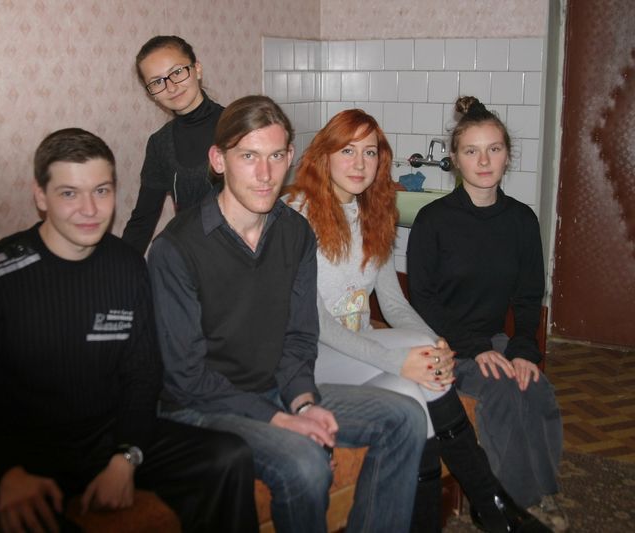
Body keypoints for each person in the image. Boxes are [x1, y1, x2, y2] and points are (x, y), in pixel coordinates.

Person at [0, 128, 258, 533]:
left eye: (102, 191)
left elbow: (143, 374)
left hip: (108, 438)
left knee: (228, 457)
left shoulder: (127, 265)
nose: (89, 209)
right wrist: (4, 472)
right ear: (41, 196)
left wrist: (126, 457)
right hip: (26, 454)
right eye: (69, 193)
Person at [147, 95, 428, 533]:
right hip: (202, 405)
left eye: (276, 156)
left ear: (291, 157)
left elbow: (299, 336)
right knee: (305, 463)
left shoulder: (294, 232)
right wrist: (283, 418)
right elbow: (186, 377)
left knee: (405, 417)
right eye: (249, 156)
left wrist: (304, 401)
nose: (265, 174)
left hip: (275, 388)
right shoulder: (175, 248)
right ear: (218, 160)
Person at [284, 109, 550, 533]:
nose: (359, 163)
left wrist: (437, 342)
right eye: (347, 150)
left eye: (370, 152)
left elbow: (393, 304)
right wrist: (400, 359)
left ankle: (449, 515)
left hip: (355, 349)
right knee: (419, 368)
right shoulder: (296, 215)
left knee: (418, 389)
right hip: (308, 356)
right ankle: (491, 501)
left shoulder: (373, 212)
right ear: (324, 155)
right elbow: (317, 323)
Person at [407, 96, 566, 532]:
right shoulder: (433, 220)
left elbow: (529, 297)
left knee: (535, 388)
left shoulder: (522, 221)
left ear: (507, 155)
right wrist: (475, 348)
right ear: (455, 158)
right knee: (500, 391)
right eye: (471, 151)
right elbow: (422, 299)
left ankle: (541, 490)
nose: (483, 161)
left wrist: (522, 349)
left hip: (494, 340)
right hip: (442, 342)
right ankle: (503, 501)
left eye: (493, 149)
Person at [122, 35, 224, 254]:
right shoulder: (159, 143)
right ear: (151, 93)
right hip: (191, 259)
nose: (171, 87)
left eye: (177, 72)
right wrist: (119, 266)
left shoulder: (237, 126)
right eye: (157, 82)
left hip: (245, 257)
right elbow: (143, 219)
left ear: (197, 69)